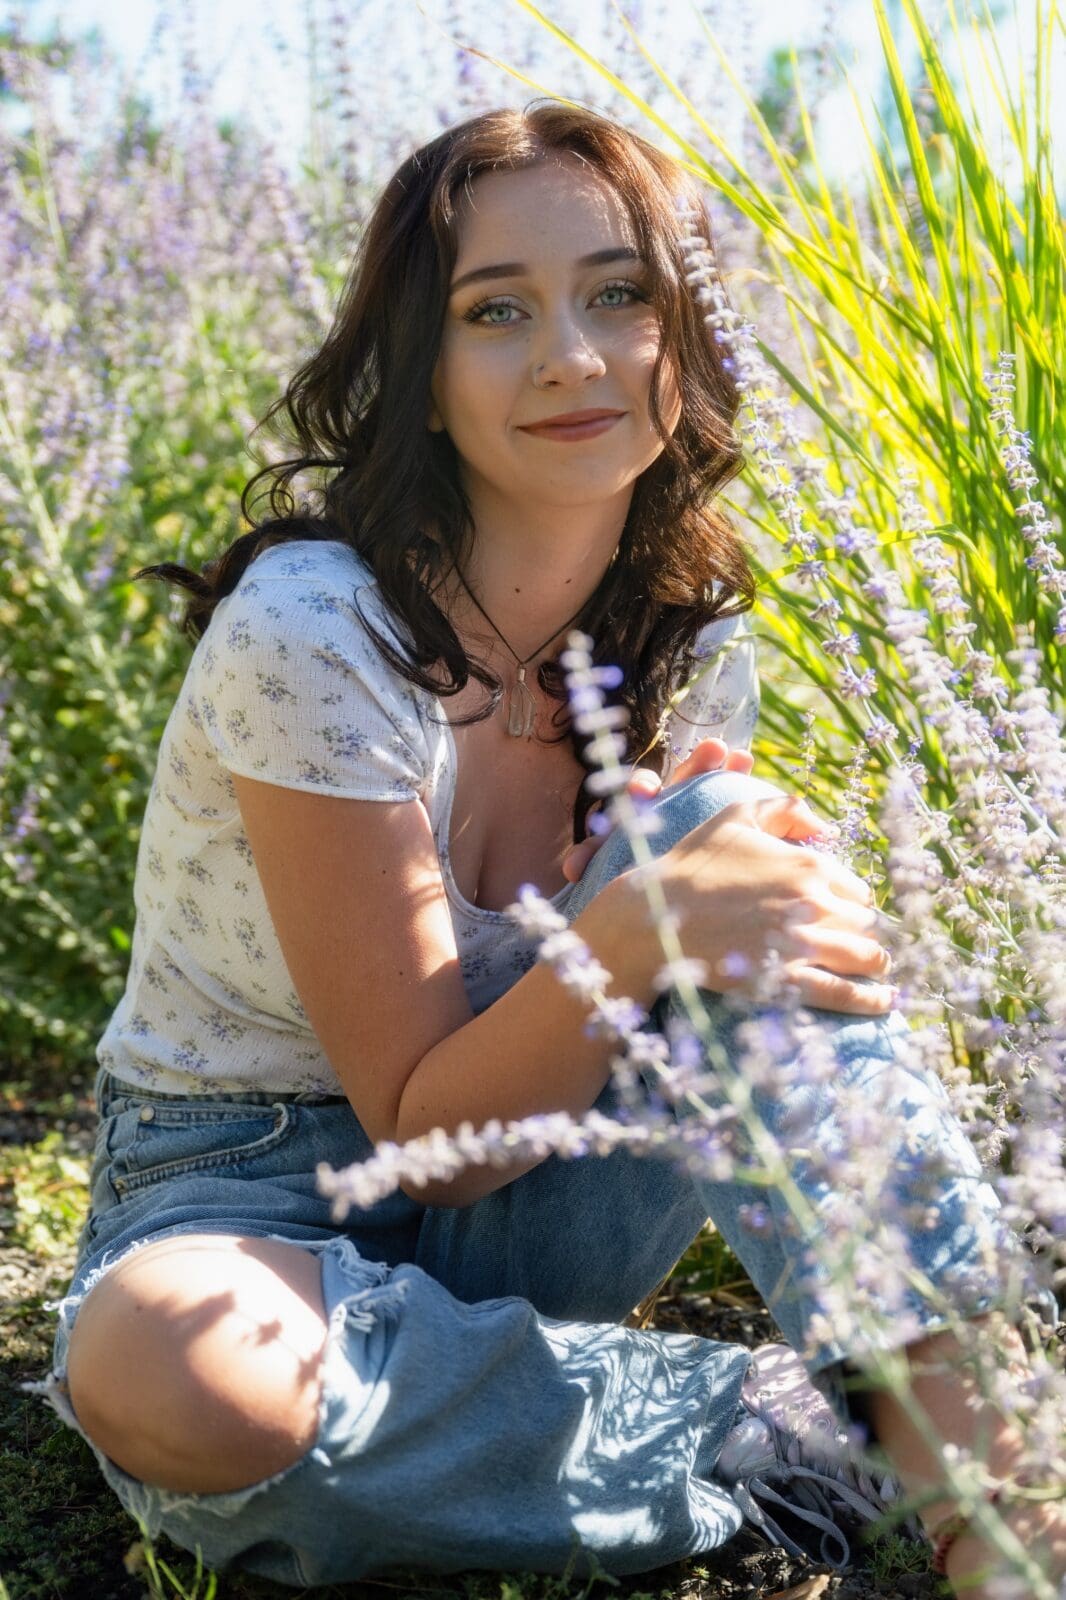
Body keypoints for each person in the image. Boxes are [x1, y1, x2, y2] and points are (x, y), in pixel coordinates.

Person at [26, 103, 1065, 1597]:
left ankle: (992, 1488)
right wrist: (638, 929)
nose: (572, 356)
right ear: (422, 376)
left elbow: (718, 1016)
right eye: (496, 311)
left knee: (725, 849)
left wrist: (713, 906)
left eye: (619, 293)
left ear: (682, 338)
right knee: (178, 1377)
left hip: (556, 1178)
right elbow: (416, 1127)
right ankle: (800, 1435)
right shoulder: (315, 631)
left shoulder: (692, 645)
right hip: (248, 1196)